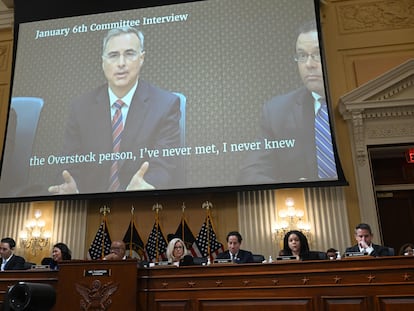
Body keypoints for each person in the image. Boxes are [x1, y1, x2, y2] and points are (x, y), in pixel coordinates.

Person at [48, 26, 181, 195]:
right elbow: (70, 162)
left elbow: (164, 163)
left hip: (143, 203)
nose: (121, 63)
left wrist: (147, 185)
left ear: (142, 58)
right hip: (91, 205)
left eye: (130, 54)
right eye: (113, 55)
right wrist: (73, 188)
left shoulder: (165, 104)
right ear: (103, 62)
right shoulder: (80, 107)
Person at [239, 20, 337, 183]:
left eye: (317, 54)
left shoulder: (352, 99)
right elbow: (251, 172)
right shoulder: (277, 111)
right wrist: (291, 189)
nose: (309, 64)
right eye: (302, 56)